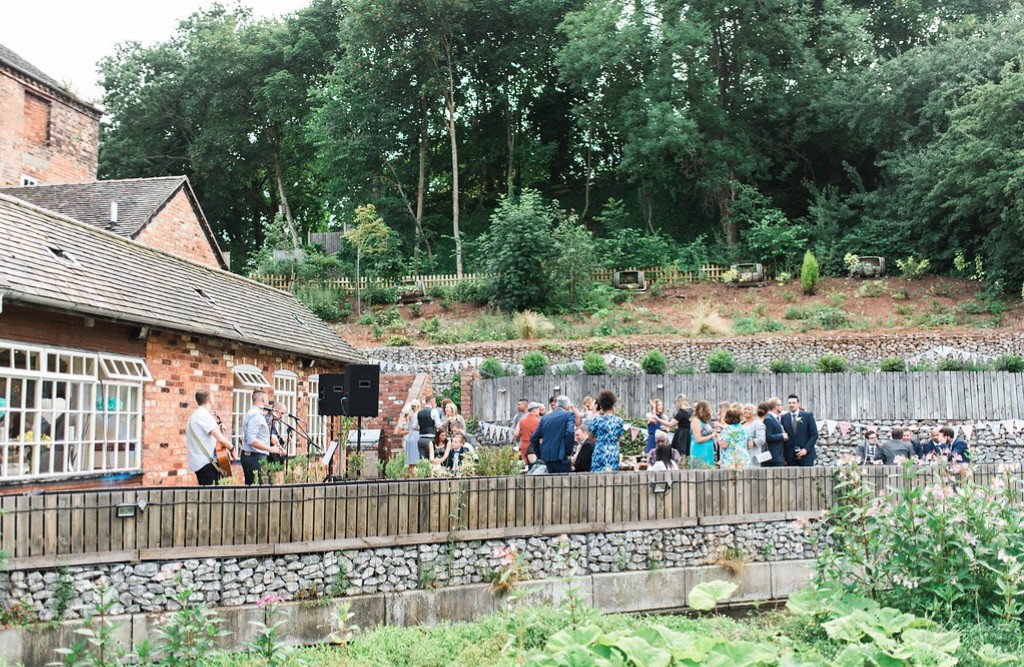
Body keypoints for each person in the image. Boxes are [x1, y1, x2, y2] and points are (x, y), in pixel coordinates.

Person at [186, 389, 234, 486]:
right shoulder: (204, 415)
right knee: (211, 497)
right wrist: (232, 449)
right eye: (212, 396)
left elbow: (205, 437)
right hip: (206, 463)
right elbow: (220, 439)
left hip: (200, 462)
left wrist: (219, 428)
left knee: (207, 496)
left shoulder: (194, 416)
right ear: (209, 399)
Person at [241, 389, 286, 485]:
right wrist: (270, 449)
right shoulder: (255, 415)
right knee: (260, 491)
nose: (268, 401)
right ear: (263, 399)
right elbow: (251, 440)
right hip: (254, 457)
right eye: (267, 399)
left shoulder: (255, 413)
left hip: (256, 456)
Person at [530, 395, 577, 473]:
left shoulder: (545, 418)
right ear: (568, 407)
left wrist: (540, 454)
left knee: (551, 483)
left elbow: (534, 437)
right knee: (564, 483)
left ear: (557, 405)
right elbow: (570, 432)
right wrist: (568, 452)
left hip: (547, 456)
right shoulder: (569, 415)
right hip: (562, 456)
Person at [586, 390, 625, 472]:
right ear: (613, 405)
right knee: (612, 480)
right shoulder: (619, 421)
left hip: (600, 453)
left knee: (597, 480)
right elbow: (618, 438)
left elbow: (590, 438)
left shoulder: (597, 419)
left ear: (601, 406)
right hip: (613, 453)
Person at [781, 394, 818, 466]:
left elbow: (814, 435)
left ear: (798, 403)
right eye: (789, 403)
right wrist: (784, 456)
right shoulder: (784, 418)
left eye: (794, 403)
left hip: (806, 455)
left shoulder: (808, 416)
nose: (791, 405)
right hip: (790, 456)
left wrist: (805, 449)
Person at [396, 400, 421, 476]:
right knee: (410, 457)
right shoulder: (403, 420)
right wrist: (408, 432)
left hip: (411, 438)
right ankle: (411, 473)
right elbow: (398, 432)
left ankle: (412, 473)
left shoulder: (411, 417)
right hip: (407, 439)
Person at [689, 400, 716, 468]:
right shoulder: (696, 421)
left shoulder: (705, 421)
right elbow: (698, 439)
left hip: (708, 449)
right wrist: (711, 436)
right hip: (700, 449)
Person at [416, 396, 442, 461]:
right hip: (431, 438)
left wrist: (422, 428)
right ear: (431, 402)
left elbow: (415, 426)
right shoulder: (434, 411)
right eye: (434, 401)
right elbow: (438, 425)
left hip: (421, 438)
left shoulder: (419, 412)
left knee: (422, 460)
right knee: (432, 459)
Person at [761, 399, 785, 467]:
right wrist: (782, 436)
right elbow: (768, 436)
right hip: (773, 457)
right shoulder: (769, 419)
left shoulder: (776, 418)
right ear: (776, 406)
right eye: (781, 405)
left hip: (778, 455)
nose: (782, 407)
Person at [667, 394, 692, 458]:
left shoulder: (681, 412)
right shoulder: (692, 410)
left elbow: (670, 424)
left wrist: (658, 419)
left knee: (679, 452)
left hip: (682, 434)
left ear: (679, 402)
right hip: (690, 433)